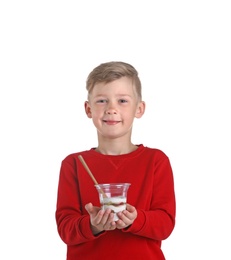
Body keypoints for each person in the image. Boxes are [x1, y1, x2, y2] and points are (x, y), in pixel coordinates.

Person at [55, 61, 176, 260]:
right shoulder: (74, 164)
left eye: (122, 101)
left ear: (139, 109)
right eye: (102, 101)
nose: (111, 109)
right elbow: (65, 228)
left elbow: (165, 224)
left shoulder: (156, 161)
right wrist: (92, 225)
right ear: (88, 109)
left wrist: (136, 220)